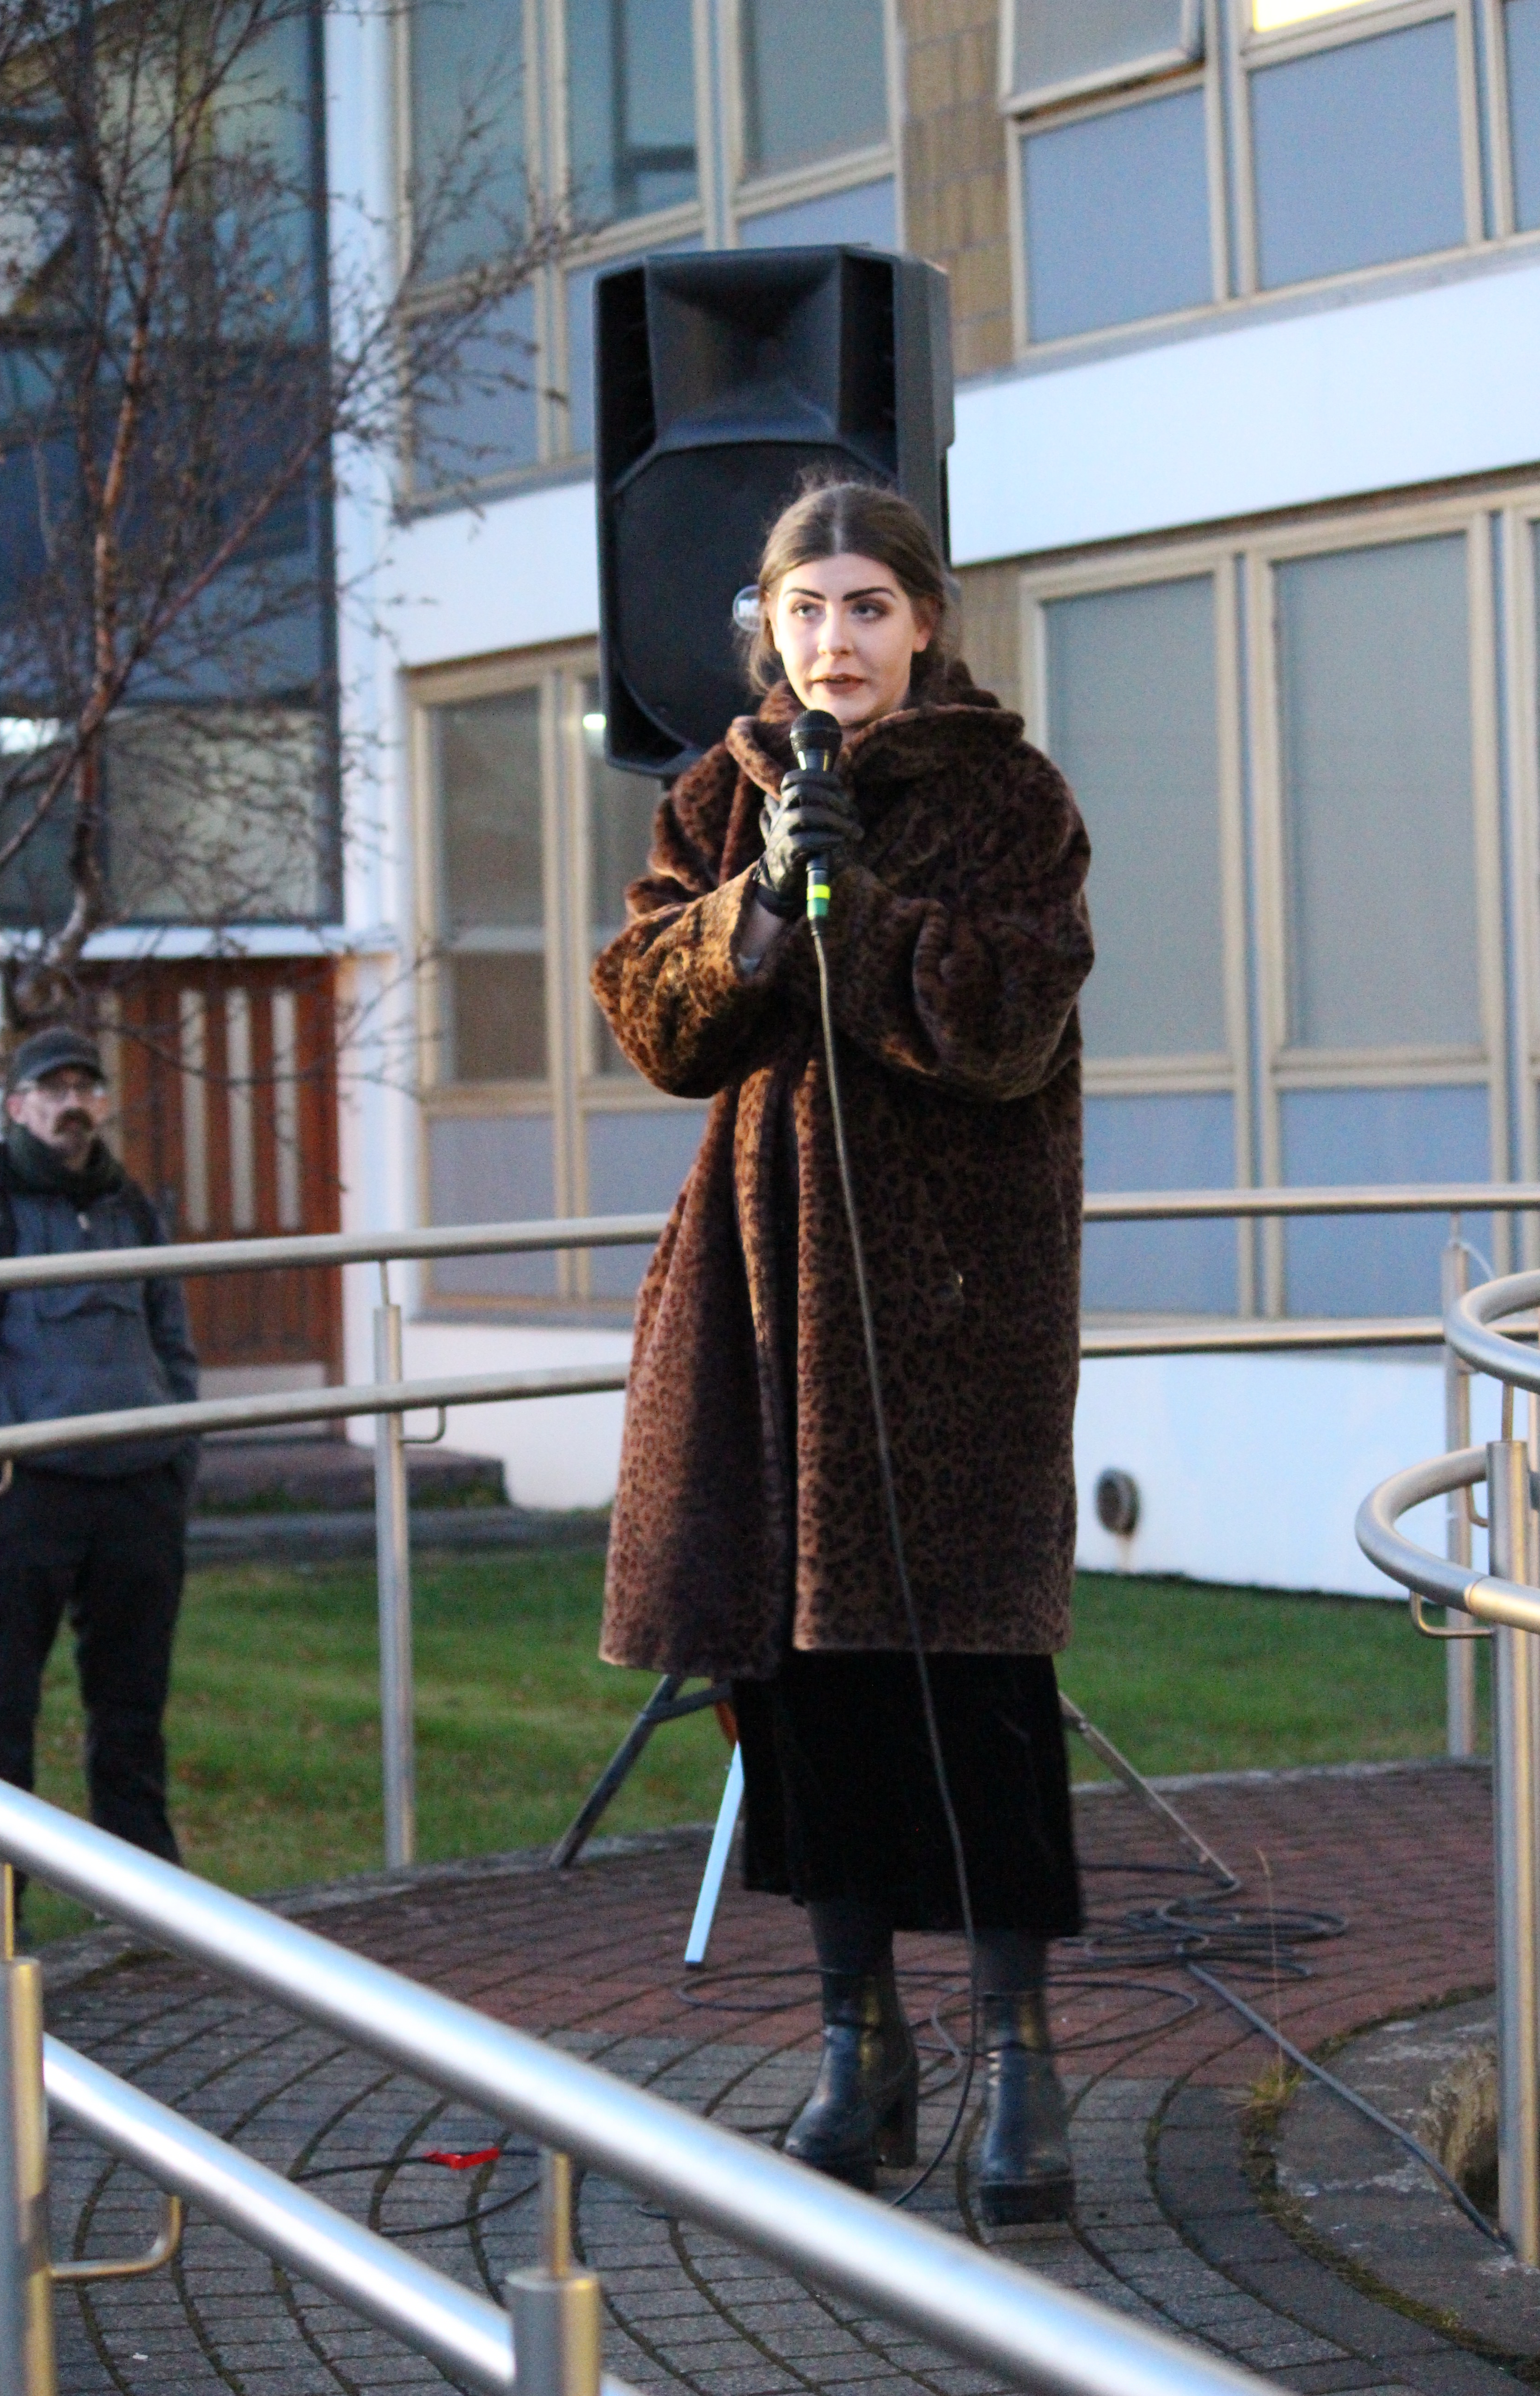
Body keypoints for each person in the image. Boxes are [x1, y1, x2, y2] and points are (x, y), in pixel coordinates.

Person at [591, 478, 1094, 2220]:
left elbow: (1009, 1022)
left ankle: (1019, 2073)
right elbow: (649, 1015)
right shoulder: (717, 794)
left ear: (926, 623)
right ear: (768, 629)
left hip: (958, 1315)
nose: (835, 643)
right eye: (804, 613)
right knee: (798, 1684)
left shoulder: (1008, 795)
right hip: (759, 1296)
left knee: (974, 1686)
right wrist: (745, 913)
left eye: (868, 608)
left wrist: (858, 907)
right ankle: (854, 2044)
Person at [0, 1026, 198, 1937]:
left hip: (137, 1491)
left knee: (132, 1704)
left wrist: (178, 1453)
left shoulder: (131, 1208)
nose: (72, 1103)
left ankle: (144, 1899)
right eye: (51, 1089)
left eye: (84, 1086)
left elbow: (174, 1334)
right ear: (17, 1107)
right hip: (27, 1492)